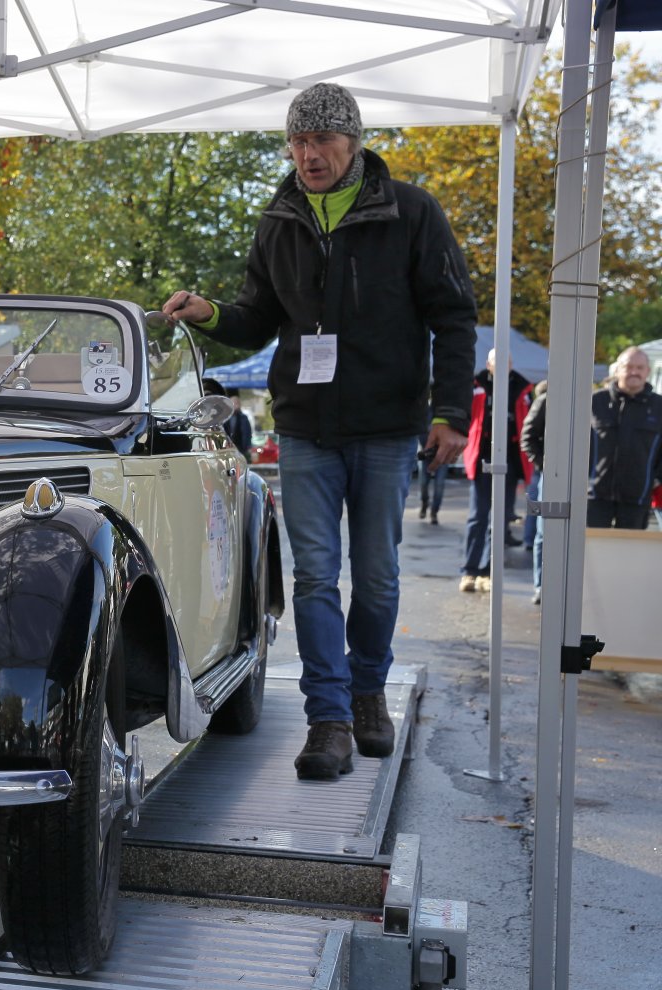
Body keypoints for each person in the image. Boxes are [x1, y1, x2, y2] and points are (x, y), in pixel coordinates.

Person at [161, 82, 475, 781]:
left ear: (353, 142)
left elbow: (454, 318)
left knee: (379, 576)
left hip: (387, 427)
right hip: (305, 428)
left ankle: (368, 692)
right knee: (313, 577)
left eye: (322, 140)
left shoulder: (412, 211)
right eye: (298, 142)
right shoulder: (278, 220)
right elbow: (255, 318)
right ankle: (327, 718)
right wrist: (209, 312)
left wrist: (452, 414)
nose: (309, 155)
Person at [458, 349, 533, 592]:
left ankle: (488, 571)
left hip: (510, 459)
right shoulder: (477, 385)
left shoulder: (522, 388)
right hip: (482, 457)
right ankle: (470, 570)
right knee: (477, 517)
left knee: (500, 518)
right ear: (488, 364)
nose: (502, 366)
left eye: (506, 362)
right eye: (497, 361)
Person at [587, 346, 662, 530]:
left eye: (639, 367)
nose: (634, 372)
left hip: (636, 499)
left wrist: (655, 479)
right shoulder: (595, 402)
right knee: (591, 548)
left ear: (648, 371)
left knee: (630, 548)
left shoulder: (659, 406)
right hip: (595, 497)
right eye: (628, 367)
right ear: (617, 370)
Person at [519, 379, 550, 604]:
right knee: (544, 532)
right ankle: (541, 586)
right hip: (550, 476)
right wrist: (544, 464)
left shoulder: (592, 401)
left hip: (586, 480)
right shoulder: (546, 401)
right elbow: (527, 438)